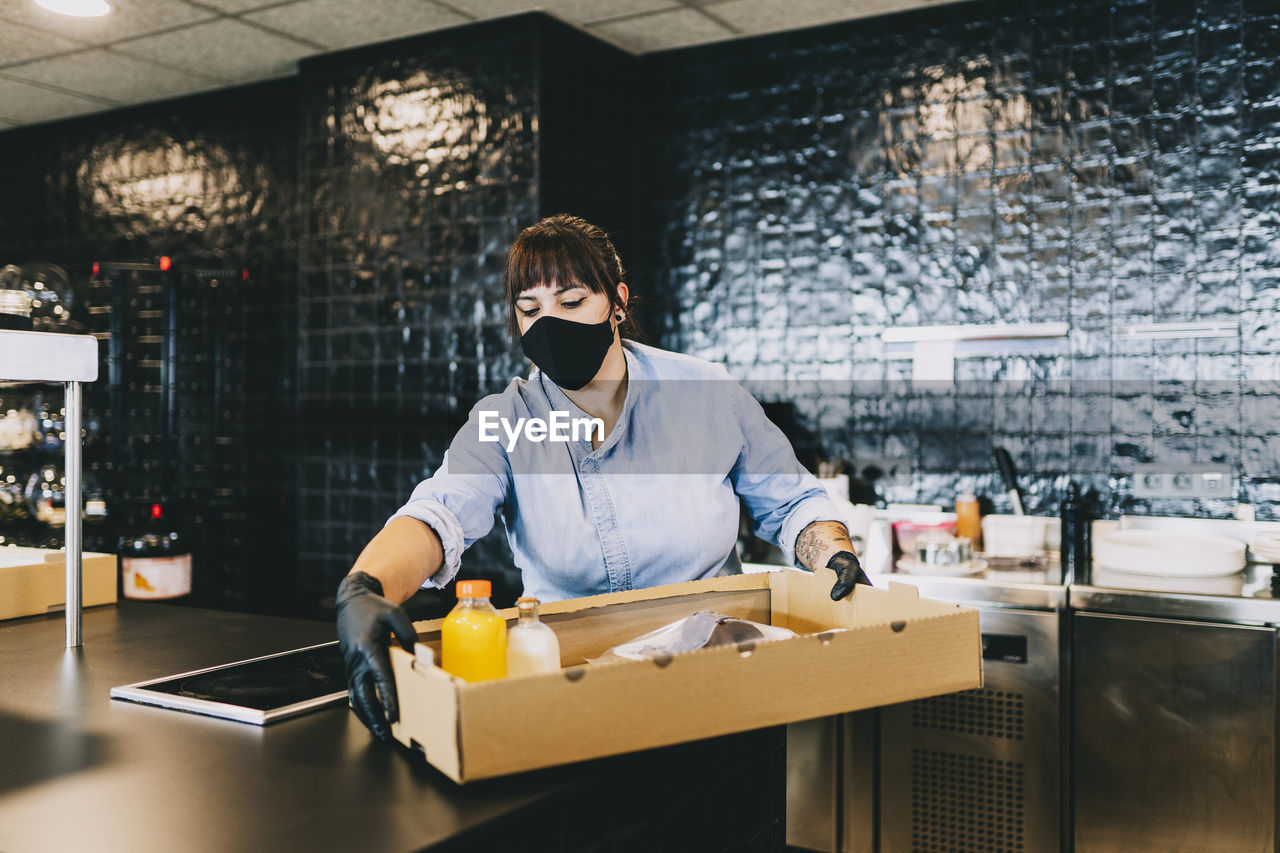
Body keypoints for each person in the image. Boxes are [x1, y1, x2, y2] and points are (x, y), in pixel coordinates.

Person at [336, 214, 870, 741]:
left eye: (571, 302)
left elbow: (790, 501)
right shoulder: (506, 420)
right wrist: (364, 588)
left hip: (720, 681)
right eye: (530, 309)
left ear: (616, 302)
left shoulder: (706, 392)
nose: (550, 323)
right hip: (572, 694)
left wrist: (832, 553)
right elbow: (438, 514)